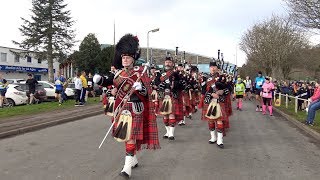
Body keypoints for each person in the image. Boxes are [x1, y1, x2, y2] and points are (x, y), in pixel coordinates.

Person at [93, 34, 160, 178]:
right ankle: (133, 159)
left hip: (135, 108)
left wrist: (139, 88)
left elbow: (148, 92)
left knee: (130, 137)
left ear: (133, 59)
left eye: (128, 57)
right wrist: (100, 80)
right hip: (121, 108)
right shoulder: (118, 73)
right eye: (123, 57)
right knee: (126, 136)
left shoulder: (140, 73)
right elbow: (109, 81)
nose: (125, 59)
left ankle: (126, 168)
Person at [200, 61, 229, 148]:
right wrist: (211, 94)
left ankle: (220, 140)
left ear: (217, 68)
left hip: (220, 100)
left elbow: (229, 87)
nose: (213, 68)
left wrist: (222, 91)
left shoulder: (222, 77)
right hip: (209, 100)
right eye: (211, 67)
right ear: (209, 68)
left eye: (214, 67)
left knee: (219, 120)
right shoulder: (205, 77)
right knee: (211, 120)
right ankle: (213, 137)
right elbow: (203, 90)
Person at [156, 57, 185, 139]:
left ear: (172, 64)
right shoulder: (160, 73)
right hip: (162, 95)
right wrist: (159, 85)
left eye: (169, 62)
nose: (167, 63)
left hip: (172, 94)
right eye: (166, 62)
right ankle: (167, 132)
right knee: (165, 115)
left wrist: (174, 84)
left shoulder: (176, 74)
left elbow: (182, 85)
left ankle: (171, 133)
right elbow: (156, 82)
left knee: (171, 114)